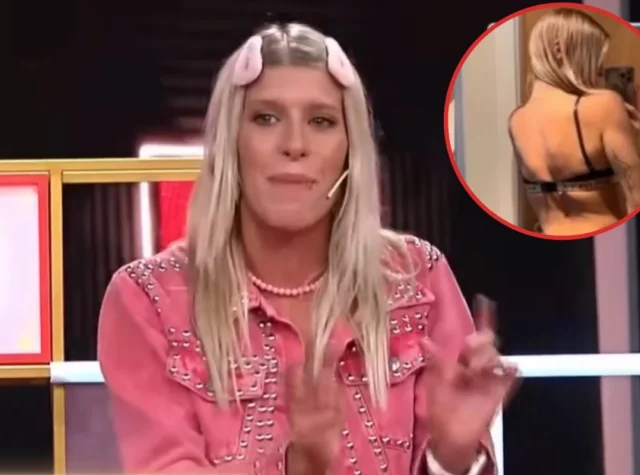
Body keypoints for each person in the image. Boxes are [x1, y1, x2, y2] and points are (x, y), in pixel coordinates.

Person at [98, 22, 518, 475]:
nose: (294, 145)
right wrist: (298, 466)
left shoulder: (418, 277)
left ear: (350, 150)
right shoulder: (149, 299)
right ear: (229, 143)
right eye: (266, 118)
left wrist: (451, 456)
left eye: (321, 121)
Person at [508, 7, 640, 236]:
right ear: (559, 50)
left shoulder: (516, 120)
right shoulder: (603, 104)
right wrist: (634, 143)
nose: (598, 75)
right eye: (595, 63)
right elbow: (637, 201)